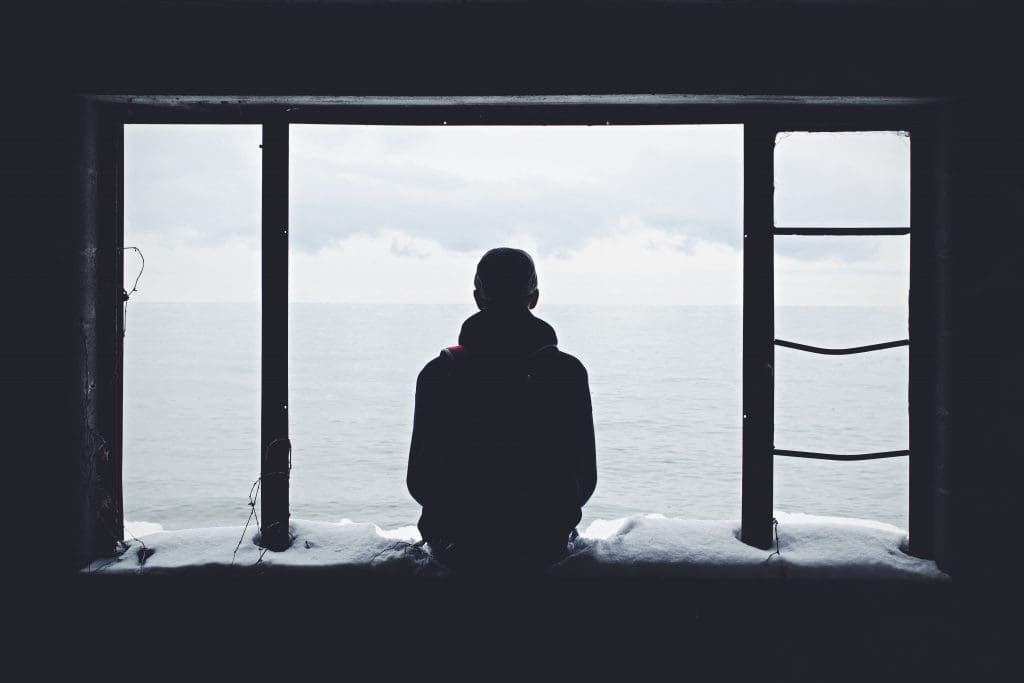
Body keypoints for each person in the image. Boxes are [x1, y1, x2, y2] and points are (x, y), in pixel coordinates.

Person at [407, 247, 597, 576]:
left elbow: (418, 480)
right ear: (534, 297)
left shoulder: (440, 374)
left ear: (478, 298)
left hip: (458, 546)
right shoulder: (568, 373)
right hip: (542, 545)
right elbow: (585, 478)